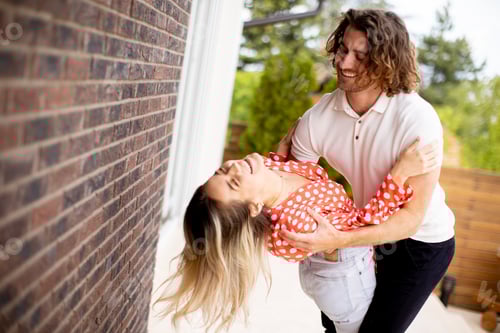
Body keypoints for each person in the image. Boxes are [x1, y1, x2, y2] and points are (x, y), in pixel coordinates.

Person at [279, 8, 456, 333]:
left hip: (421, 243)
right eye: (343, 50)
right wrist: (277, 168)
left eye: (361, 56)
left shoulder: (417, 119)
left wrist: (339, 238)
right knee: (337, 326)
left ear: (387, 61)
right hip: (364, 226)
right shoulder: (317, 119)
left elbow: (410, 219)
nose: (344, 64)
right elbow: (296, 187)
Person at [152, 135, 439, 333]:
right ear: (254, 207)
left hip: (332, 267)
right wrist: (400, 173)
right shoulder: (299, 224)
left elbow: (289, 174)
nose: (235, 167)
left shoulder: (269, 168)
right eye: (235, 182)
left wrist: (281, 154)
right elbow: (366, 222)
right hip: (346, 291)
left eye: (222, 170)